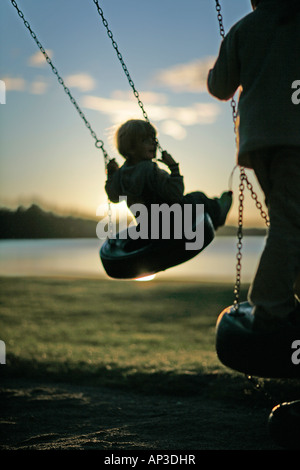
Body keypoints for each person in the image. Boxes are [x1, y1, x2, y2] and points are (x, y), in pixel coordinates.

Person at [207, 0, 300, 330]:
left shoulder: (243, 29)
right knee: (292, 219)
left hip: (259, 142)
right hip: (293, 139)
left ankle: (288, 296)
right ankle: (271, 304)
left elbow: (219, 86)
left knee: (289, 218)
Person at [105, 119, 232, 242]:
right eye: (145, 140)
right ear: (131, 148)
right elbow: (175, 194)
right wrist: (174, 168)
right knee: (198, 197)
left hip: (148, 228)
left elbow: (114, 197)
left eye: (153, 139)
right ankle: (218, 212)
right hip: (172, 220)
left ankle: (213, 216)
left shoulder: (120, 174)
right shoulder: (150, 169)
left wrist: (111, 175)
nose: (153, 143)